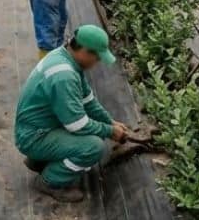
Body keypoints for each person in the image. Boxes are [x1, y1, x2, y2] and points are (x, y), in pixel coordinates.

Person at [15, 24, 130, 204]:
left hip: (40, 128)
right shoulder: (64, 76)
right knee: (93, 146)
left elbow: (89, 103)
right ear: (84, 51)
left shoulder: (65, 57)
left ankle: (39, 160)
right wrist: (109, 131)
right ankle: (50, 181)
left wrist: (110, 122)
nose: (97, 63)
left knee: (94, 129)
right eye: (97, 58)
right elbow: (77, 124)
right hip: (34, 137)